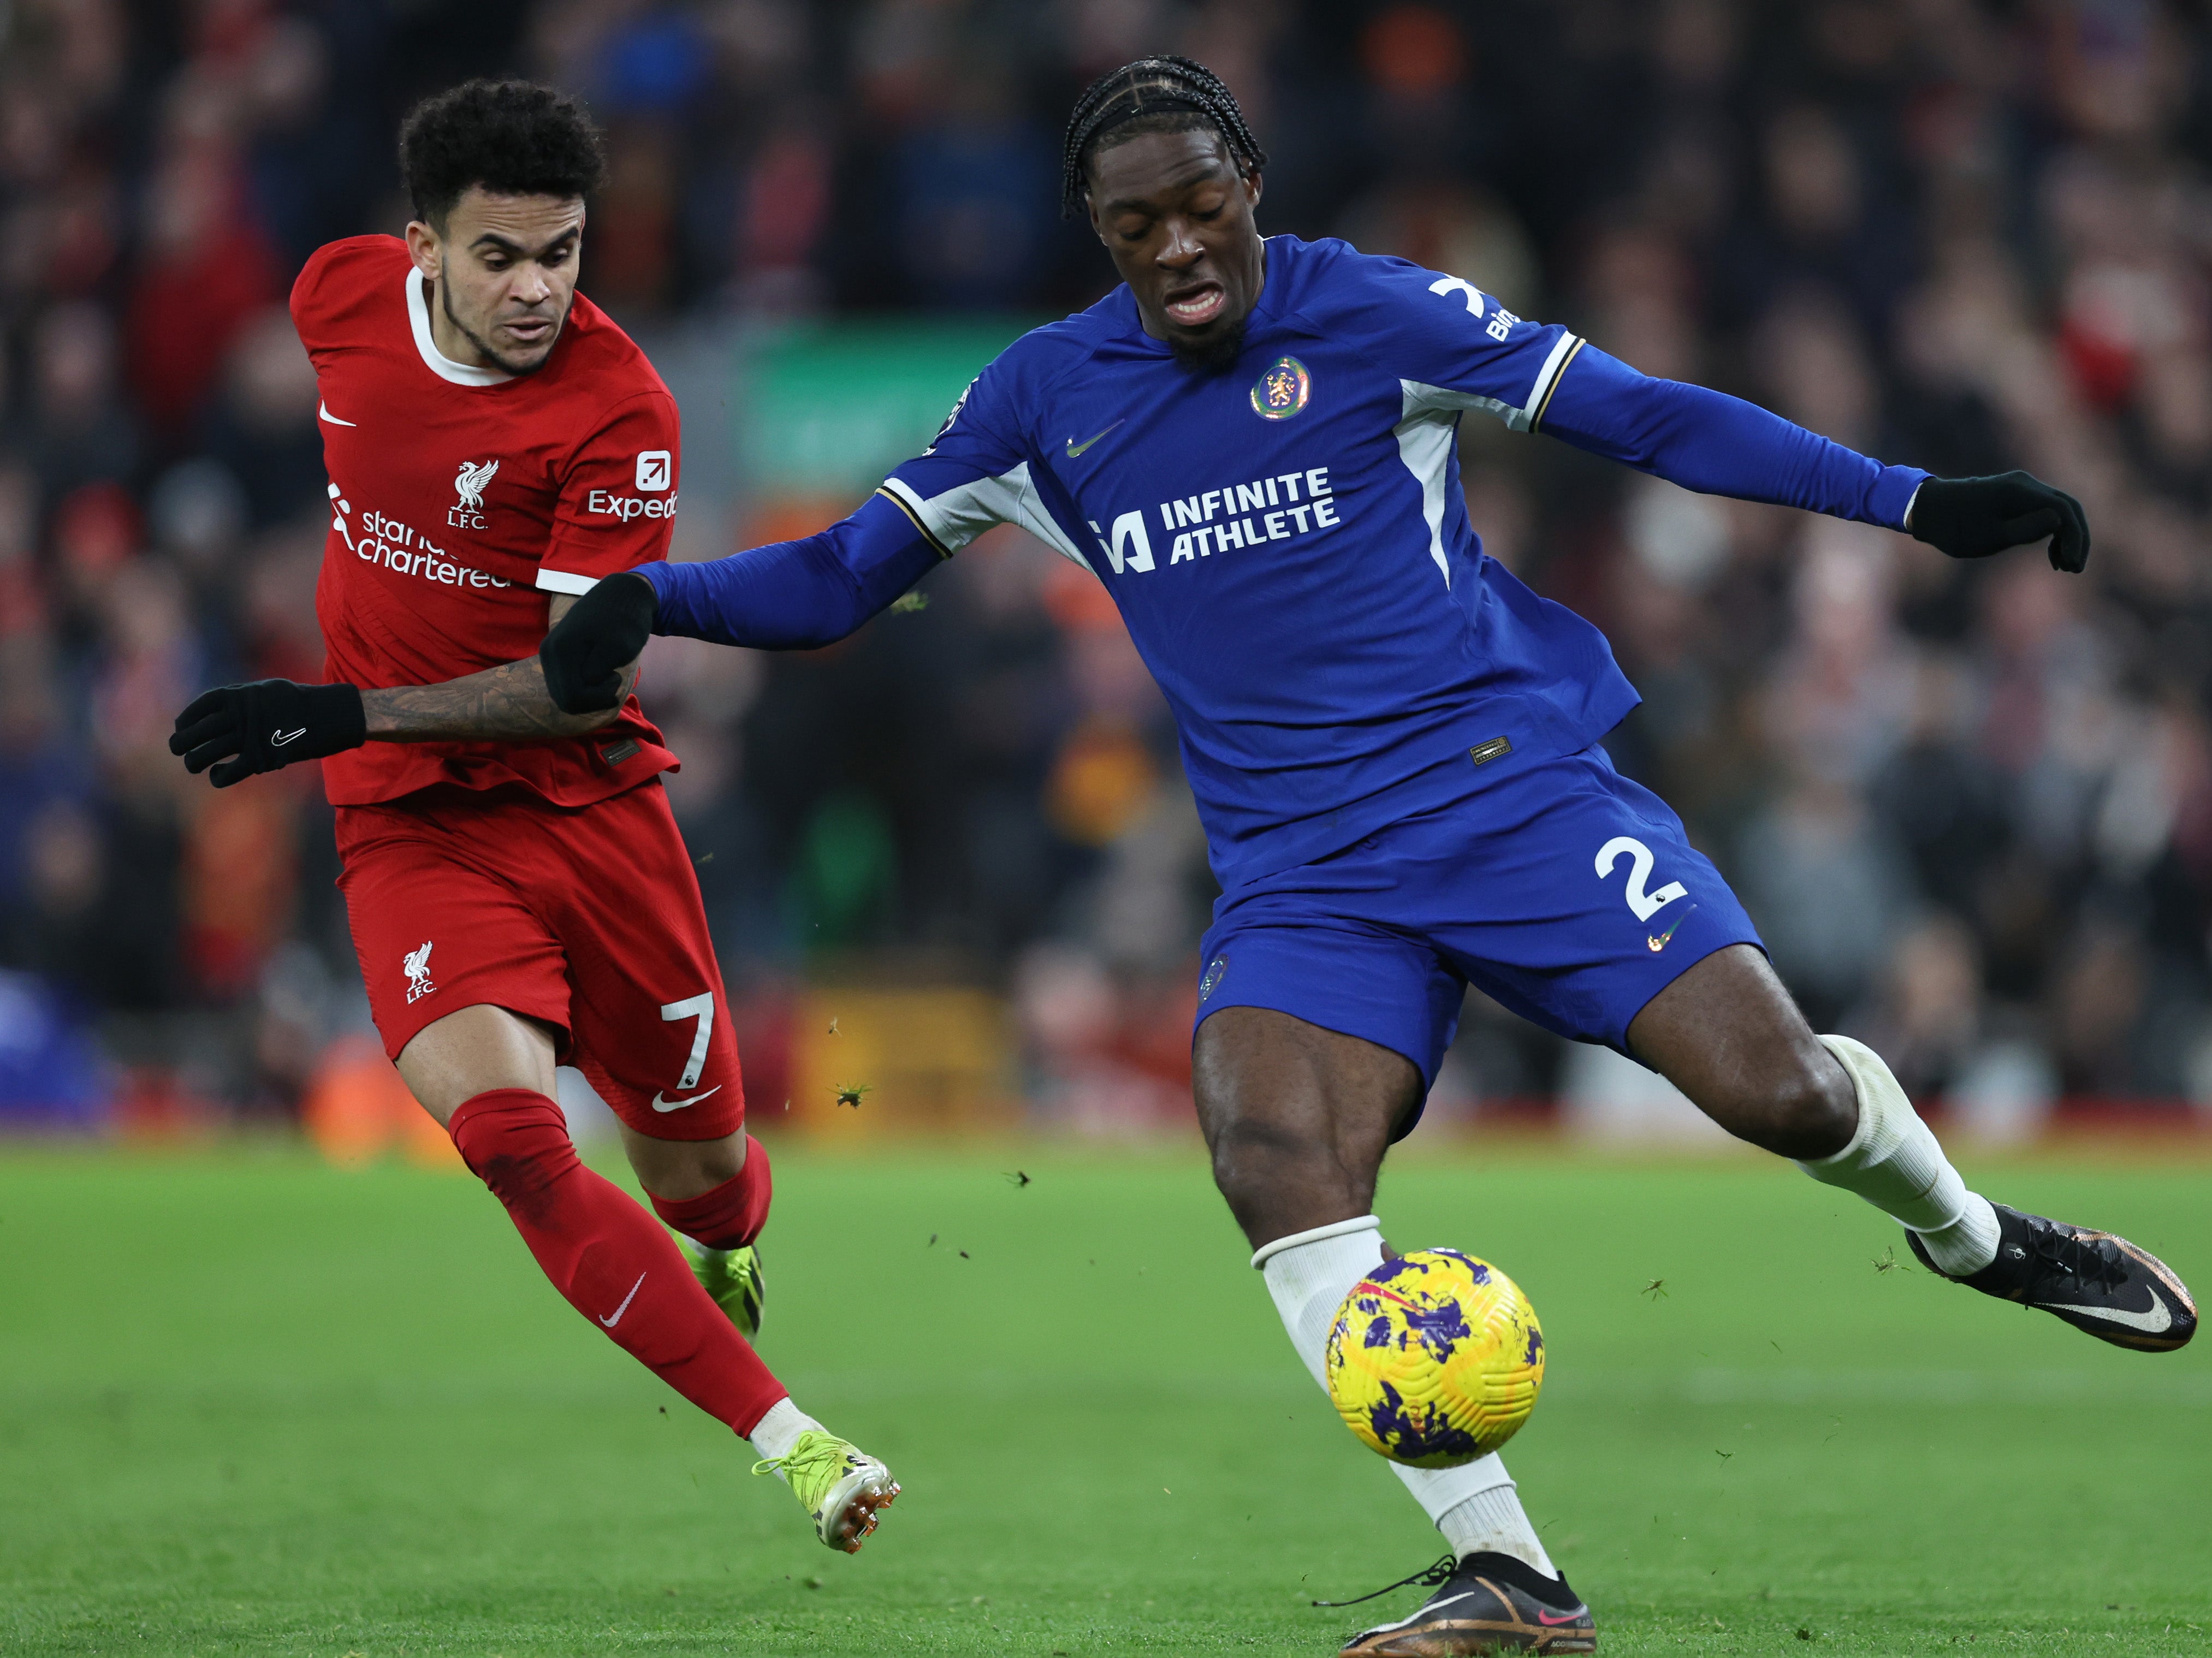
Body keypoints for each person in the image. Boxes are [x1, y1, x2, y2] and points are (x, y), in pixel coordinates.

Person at [541, 56, 2198, 1654]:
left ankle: (1978, 1241)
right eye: (1138, 226)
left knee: (1787, 1099)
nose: (1179, 245)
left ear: (1248, 188)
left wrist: (1906, 500)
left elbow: (1636, 417)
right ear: (1098, 237)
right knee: (1272, 1158)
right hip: (1301, 874)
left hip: (1510, 799)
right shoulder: (1044, 397)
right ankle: (1511, 1579)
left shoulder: (1371, 311)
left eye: (1202, 205)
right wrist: (655, 595)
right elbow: (842, 576)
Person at [165, 80, 897, 1555]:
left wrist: (336, 709)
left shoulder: (619, 409)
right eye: (500, 256)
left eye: (560, 254)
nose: (535, 289)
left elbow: (574, 688)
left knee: (705, 1176)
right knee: (510, 1138)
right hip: (412, 829)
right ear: (420, 244)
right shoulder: (336, 297)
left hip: (588, 808)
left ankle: (724, 1242)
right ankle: (796, 1442)